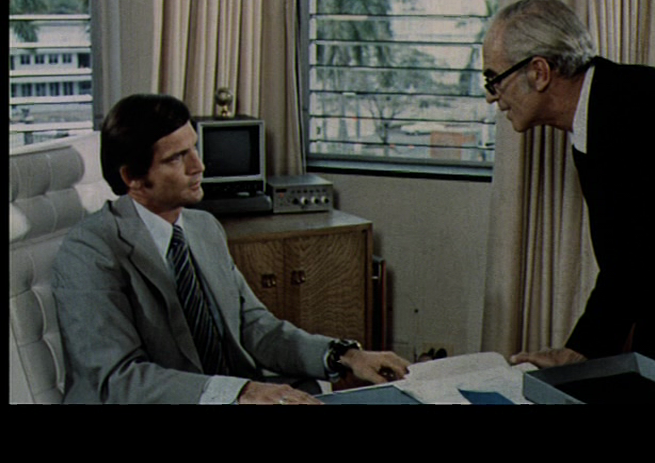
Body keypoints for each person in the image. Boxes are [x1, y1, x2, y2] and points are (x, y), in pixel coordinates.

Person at [483, 0, 655, 402]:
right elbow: (631, 259)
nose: (492, 97)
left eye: (494, 79)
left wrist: (582, 352)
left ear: (539, 72)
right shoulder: (607, 104)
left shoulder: (635, 109)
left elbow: (648, 259)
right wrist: (580, 351)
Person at [52, 94, 410, 404]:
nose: (199, 166)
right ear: (132, 177)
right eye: (176, 158)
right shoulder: (90, 250)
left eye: (194, 148)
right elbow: (119, 380)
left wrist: (344, 355)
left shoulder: (203, 228)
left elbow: (255, 327)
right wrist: (241, 392)